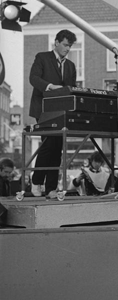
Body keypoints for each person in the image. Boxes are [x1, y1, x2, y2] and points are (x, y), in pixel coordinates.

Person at [29, 29, 77, 198]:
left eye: (70, 46)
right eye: (65, 45)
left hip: (60, 111)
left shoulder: (70, 66)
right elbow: (33, 78)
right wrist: (50, 86)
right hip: (43, 109)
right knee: (48, 144)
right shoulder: (42, 57)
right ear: (56, 42)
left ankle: (51, 188)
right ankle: (36, 181)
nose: (67, 49)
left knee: (57, 148)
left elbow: (71, 89)